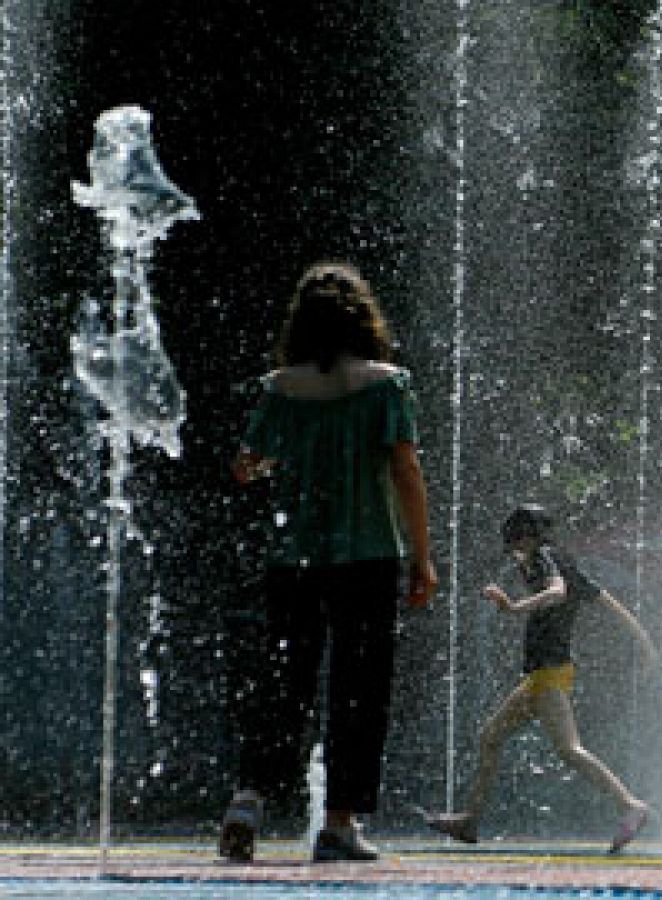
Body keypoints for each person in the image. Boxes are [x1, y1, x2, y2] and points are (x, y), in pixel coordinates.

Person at [218, 261, 437, 863]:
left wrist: (276, 462)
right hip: (369, 556)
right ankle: (338, 824)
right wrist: (423, 557)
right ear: (362, 319)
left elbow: (247, 465)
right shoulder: (386, 384)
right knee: (359, 689)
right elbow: (405, 469)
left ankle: (248, 798)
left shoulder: (280, 387)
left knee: (283, 681)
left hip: (293, 559)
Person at [425, 503, 656, 852]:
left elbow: (557, 592)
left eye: (516, 535)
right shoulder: (561, 561)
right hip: (542, 675)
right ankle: (469, 821)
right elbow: (610, 603)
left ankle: (631, 806)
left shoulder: (546, 559)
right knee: (490, 737)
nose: (512, 544)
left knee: (569, 749)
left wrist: (514, 608)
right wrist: (644, 642)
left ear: (526, 534)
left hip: (549, 675)